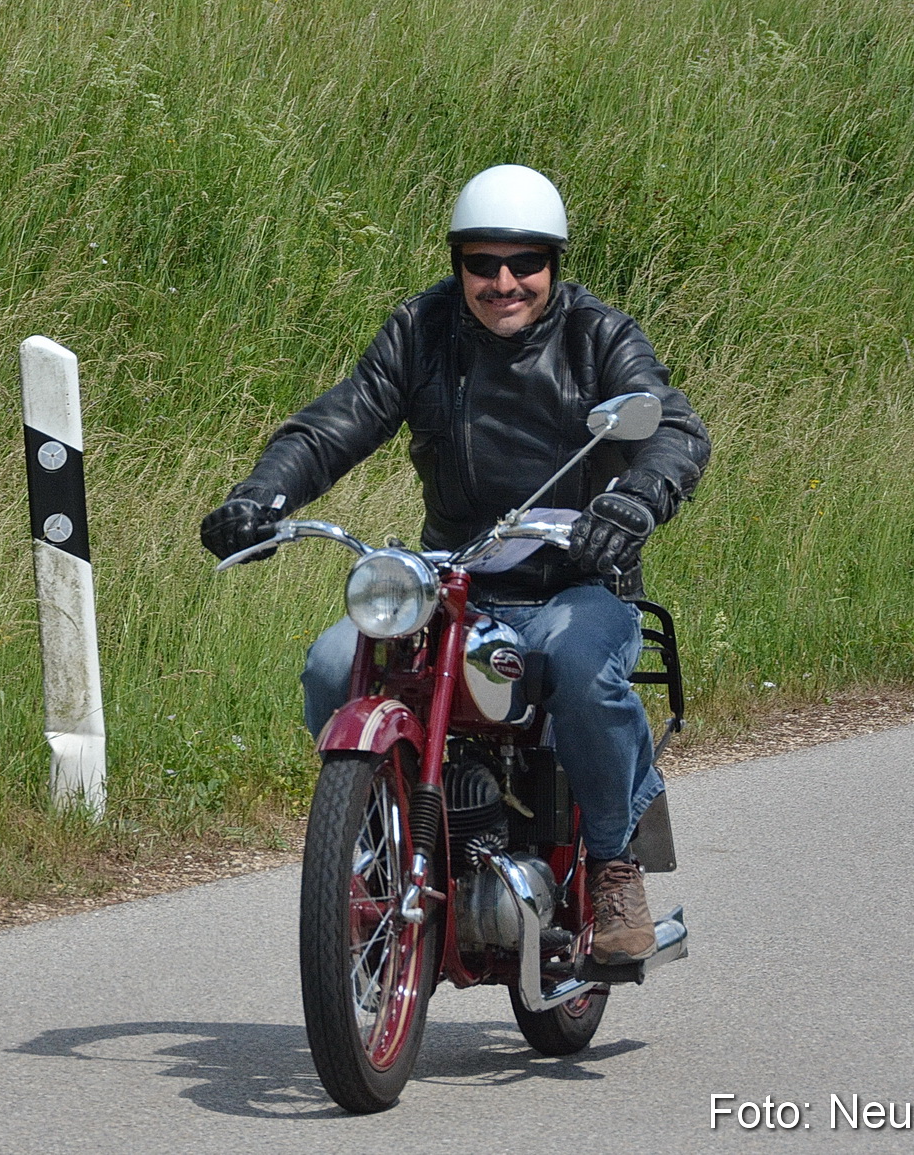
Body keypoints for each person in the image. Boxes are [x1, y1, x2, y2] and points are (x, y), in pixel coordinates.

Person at [200, 165, 710, 963]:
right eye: (483, 263)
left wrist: (632, 503)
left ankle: (614, 862)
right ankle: (380, 839)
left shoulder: (599, 336)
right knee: (334, 664)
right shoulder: (422, 330)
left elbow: (673, 427)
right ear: (458, 264)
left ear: (553, 263)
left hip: (577, 582)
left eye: (525, 263)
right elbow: (340, 421)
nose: (504, 283)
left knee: (581, 666)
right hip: (453, 583)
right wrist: (260, 496)